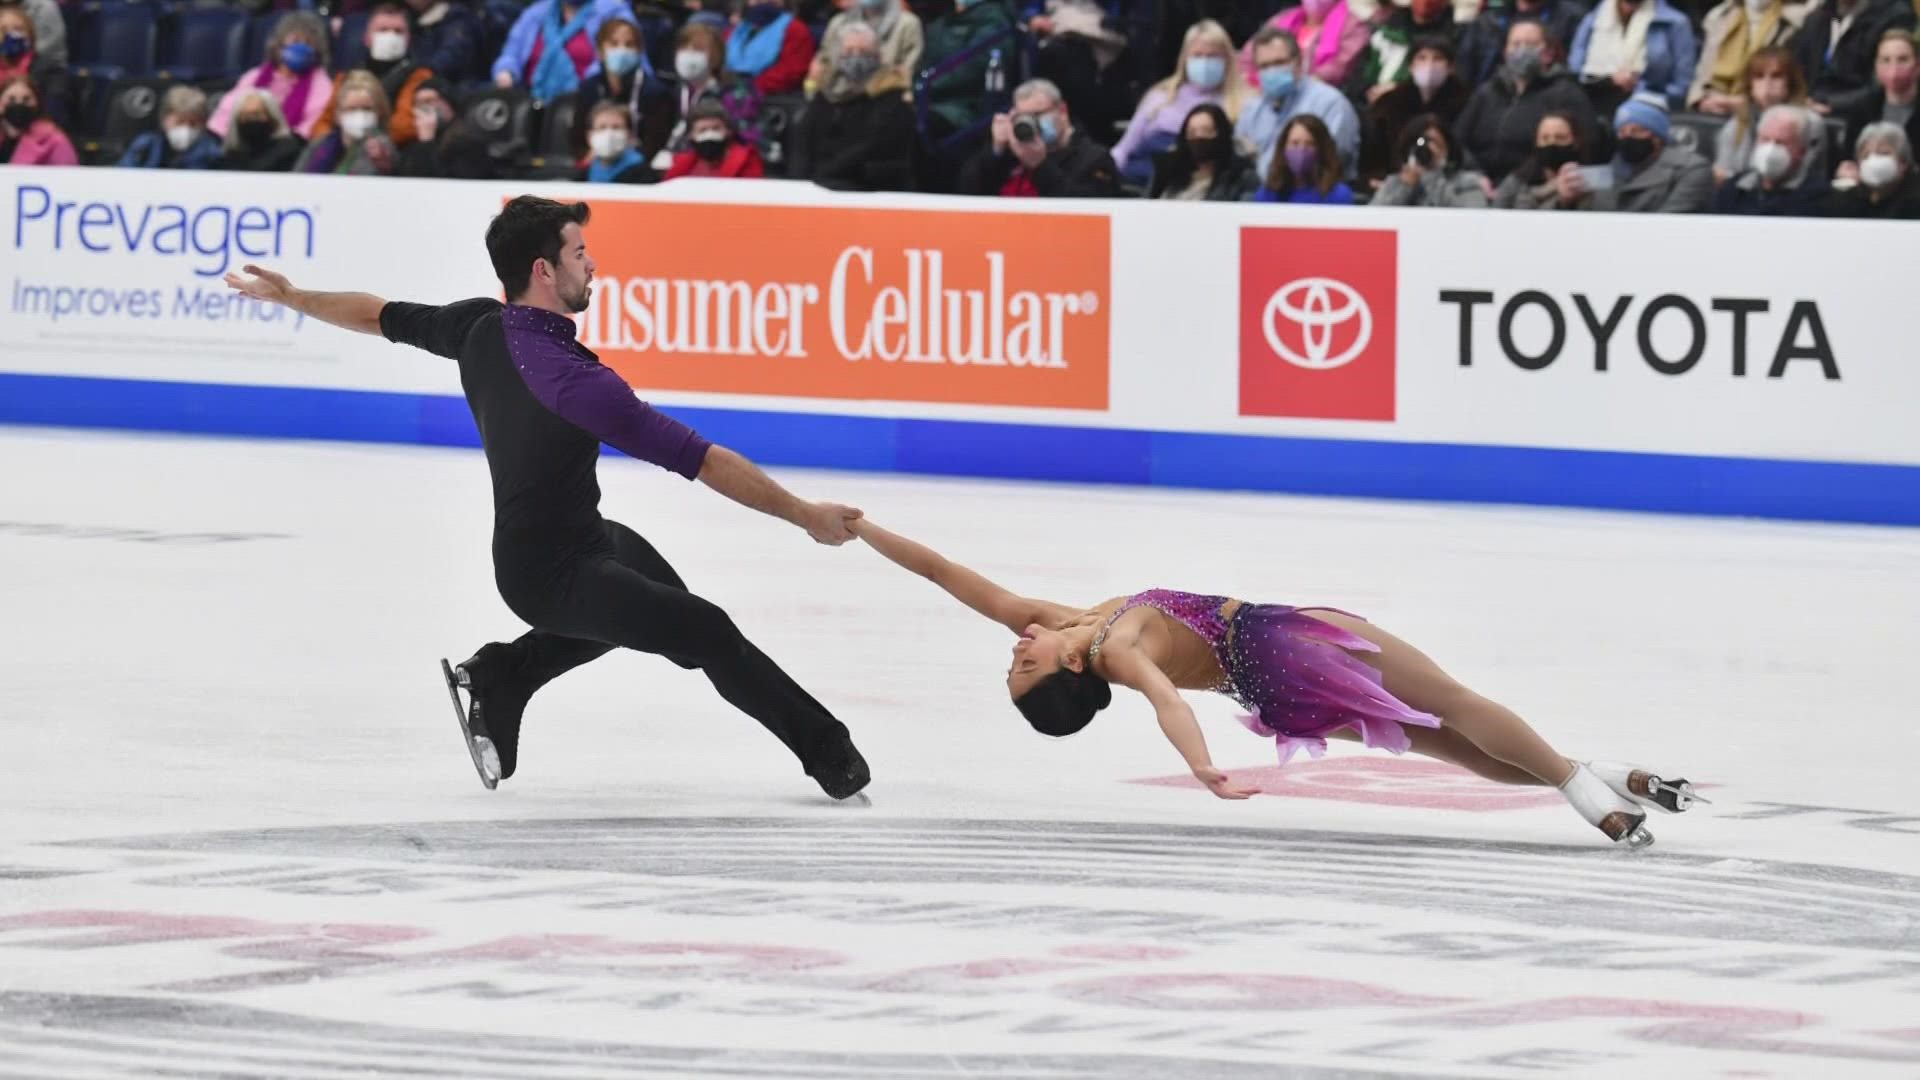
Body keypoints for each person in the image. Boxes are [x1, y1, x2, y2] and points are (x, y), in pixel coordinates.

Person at [221, 197, 872, 801]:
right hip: (550, 576)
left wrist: (296, 298)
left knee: (663, 621)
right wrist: (805, 514)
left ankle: (505, 675)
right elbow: (702, 461)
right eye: (579, 253)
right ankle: (829, 753)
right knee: (707, 632)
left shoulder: (476, 326)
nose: (592, 265)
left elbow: (377, 314)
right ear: (543, 269)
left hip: (583, 542)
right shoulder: (575, 382)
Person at [847, 519, 1697, 847]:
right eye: (1022, 665)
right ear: (1070, 669)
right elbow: (1168, 696)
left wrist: (863, 531)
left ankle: (1608, 782)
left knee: (1451, 746)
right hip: (1282, 646)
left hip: (1268, 691)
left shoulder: (1063, 621)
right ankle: (1593, 797)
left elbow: (944, 573)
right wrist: (1200, 768)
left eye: (1012, 661)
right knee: (1456, 703)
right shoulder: (1113, 646)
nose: (1015, 649)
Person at [1455, 19, 1599, 184]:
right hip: (1478, 183)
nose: (1521, 50)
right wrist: (1476, 175)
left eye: (1530, 44)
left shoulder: (1566, 93)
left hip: (1535, 185)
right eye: (1515, 44)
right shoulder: (1487, 93)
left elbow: (1587, 144)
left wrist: (1516, 182)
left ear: (1548, 52)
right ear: (1505, 51)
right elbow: (1458, 140)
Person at [1110, 20, 1251, 187]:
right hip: (1146, 173)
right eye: (1198, 55)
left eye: (1212, 56)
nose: (1204, 62)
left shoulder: (1244, 101)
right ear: (1185, 59)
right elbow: (1125, 147)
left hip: (1206, 180)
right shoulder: (1160, 96)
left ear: (1227, 59)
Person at [789, 22, 917, 191]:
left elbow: (873, 145)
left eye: (863, 51)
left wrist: (824, 176)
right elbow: (804, 136)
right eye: (849, 51)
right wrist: (800, 179)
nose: (855, 57)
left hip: (863, 183)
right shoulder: (828, 89)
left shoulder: (891, 94)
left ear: (877, 55)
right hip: (816, 183)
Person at [956, 76, 1122, 197]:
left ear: (1062, 111)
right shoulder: (1013, 151)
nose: (1031, 123)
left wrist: (1040, 166)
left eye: (1037, 115)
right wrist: (995, 151)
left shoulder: (1094, 158)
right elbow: (967, 193)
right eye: (1023, 116)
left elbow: (1089, 213)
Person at [1235, 26, 1361, 180]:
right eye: (1264, 66)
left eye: (1279, 62)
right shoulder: (1252, 110)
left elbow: (1331, 161)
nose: (1272, 71)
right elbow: (1240, 158)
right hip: (1260, 196)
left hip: (1317, 195)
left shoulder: (1330, 103)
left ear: (1299, 61)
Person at [311, 3, 434, 148]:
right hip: (343, 148)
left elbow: (405, 126)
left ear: (408, 39)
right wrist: (336, 141)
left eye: (398, 31)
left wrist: (371, 139)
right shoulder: (347, 75)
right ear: (367, 38)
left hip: (394, 153)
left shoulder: (420, 75)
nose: (390, 35)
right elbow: (322, 124)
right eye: (383, 30)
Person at [1360, 35, 1469, 188]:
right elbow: (1373, 150)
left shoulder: (1466, 102)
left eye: (1437, 58)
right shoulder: (1390, 103)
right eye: (1422, 58)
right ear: (1411, 66)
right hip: (1393, 180)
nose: (1429, 65)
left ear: (1450, 67)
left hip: (1447, 182)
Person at [208, 11, 334, 141]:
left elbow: (313, 125)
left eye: (307, 44)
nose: (299, 49)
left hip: (288, 150)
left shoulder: (321, 84)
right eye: (295, 42)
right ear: (279, 45)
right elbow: (227, 113)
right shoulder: (255, 75)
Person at [569, 16, 675, 163]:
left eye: (629, 44)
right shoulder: (589, 88)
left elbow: (655, 143)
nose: (622, 50)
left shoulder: (655, 93)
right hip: (593, 165)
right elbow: (577, 139)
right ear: (600, 50)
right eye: (614, 44)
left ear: (639, 52)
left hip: (637, 169)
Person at [1585, 92, 1713, 211]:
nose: (1628, 137)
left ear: (1657, 137)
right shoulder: (1607, 168)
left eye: (1637, 131)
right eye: (1622, 131)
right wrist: (1567, 198)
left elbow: (1672, 220)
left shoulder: (1691, 169)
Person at [1568, 0, 1699, 114]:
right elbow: (1575, 71)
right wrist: (1608, 80)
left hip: (1650, 106)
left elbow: (1682, 85)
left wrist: (1640, 88)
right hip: (1595, 99)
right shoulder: (1592, 20)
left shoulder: (1676, 23)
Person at [1687, 0, 1817, 114]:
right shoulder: (1719, 16)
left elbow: (1792, 83)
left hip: (1768, 111)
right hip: (1715, 107)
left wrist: (1738, 103)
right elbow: (1703, 72)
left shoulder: (1802, 18)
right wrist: (1700, 100)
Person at [491, 0, 635, 101]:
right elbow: (511, 53)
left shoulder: (613, 12)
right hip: (530, 103)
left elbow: (624, 57)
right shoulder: (535, 13)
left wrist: (591, 85)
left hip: (589, 105)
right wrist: (506, 72)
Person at [1794, 0, 1915, 119]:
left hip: (1860, 114)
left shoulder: (1893, 16)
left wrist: (1831, 104)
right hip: (1810, 106)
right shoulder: (1826, 16)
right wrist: (1801, 99)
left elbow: (1883, 83)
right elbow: (1796, 69)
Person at [1711, 102, 1831, 214]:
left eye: (1781, 142)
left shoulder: (1820, 198)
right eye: (1765, 139)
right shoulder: (1732, 190)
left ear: (1801, 151)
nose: (1770, 149)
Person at [1714, 45, 1808, 182]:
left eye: (1776, 76)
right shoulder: (1736, 126)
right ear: (1750, 84)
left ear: (1790, 83)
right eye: (1759, 77)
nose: (1767, 84)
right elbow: (1721, 175)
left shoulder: (1807, 123)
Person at [1241, 0, 1373, 90]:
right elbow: (1249, 55)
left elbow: (1339, 68)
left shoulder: (1354, 26)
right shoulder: (1284, 18)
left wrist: (1298, 84)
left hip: (1318, 97)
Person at [1347, 0, 1457, 105]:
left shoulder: (1454, 35)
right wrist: (1368, 92)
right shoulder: (1388, 30)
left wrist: (1398, 91)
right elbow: (1362, 74)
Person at [1456, 0, 1588, 87]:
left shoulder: (1572, 18)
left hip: (1548, 95)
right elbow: (1465, 73)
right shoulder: (1488, 20)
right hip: (1494, 97)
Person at [1147, 102, 1261, 200]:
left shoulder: (1242, 176)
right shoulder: (1166, 170)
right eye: (1192, 133)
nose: (1199, 138)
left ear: (1222, 133)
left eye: (1207, 131)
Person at [1370, 113, 1491, 205]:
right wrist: (1405, 187)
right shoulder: (1395, 183)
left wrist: (1434, 177)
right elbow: (1374, 221)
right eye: (1421, 143)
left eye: (1435, 143)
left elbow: (1473, 221)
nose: (1426, 149)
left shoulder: (1468, 184)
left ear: (1448, 147)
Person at [1838, 29, 1920, 165]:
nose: (1894, 68)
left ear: (1917, 66)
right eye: (1885, 60)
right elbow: (1849, 156)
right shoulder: (1863, 108)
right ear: (1876, 66)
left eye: (1903, 59)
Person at [294, 70, 397, 175]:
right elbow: (296, 179)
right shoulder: (319, 145)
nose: (359, 115)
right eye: (351, 109)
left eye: (367, 109)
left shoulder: (384, 150)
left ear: (379, 112)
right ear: (339, 114)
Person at [397, 77, 495, 178]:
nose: (423, 108)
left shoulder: (469, 137)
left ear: (447, 102)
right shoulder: (416, 141)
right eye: (418, 104)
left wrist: (427, 142)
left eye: (429, 101)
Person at [1492, 109, 1592, 207]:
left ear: (1576, 142)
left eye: (1560, 138)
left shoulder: (1587, 182)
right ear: (1536, 142)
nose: (1552, 143)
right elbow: (1494, 214)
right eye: (1545, 138)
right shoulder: (1517, 181)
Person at [1249, 113, 1356, 203]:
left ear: (1322, 149)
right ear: (1283, 148)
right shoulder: (1267, 194)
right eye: (1294, 143)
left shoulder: (1339, 195)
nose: (1301, 150)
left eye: (1310, 144)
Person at [814, 0, 924, 86]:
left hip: (886, 98)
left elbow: (906, 74)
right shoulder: (837, 23)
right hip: (839, 95)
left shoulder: (908, 24)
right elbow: (822, 66)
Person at [1827, 120, 1920, 215]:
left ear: (1903, 163)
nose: (1873, 160)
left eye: (1883, 153)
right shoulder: (1848, 198)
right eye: (1865, 155)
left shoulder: (1915, 200)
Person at [118, 85, 222, 169]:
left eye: (193, 123)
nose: (186, 128)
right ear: (164, 119)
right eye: (179, 122)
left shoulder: (214, 153)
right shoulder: (145, 146)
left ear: (204, 124)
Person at [727, 0, 816, 96]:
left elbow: (790, 73)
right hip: (731, 92)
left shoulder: (796, 30)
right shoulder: (737, 31)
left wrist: (751, 86)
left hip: (772, 99)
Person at [662, 97, 767, 178]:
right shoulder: (681, 166)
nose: (710, 134)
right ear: (691, 135)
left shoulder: (746, 161)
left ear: (729, 131)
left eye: (716, 128)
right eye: (703, 130)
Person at [0, 4, 63, 125]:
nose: (11, 35)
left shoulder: (47, 71)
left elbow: (50, 119)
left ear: (30, 35)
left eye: (18, 29)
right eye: (3, 30)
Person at [215, 90, 306, 172]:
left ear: (272, 117)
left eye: (257, 114)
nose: (251, 120)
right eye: (245, 116)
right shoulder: (231, 156)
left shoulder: (290, 151)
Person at [404, 0, 488, 85]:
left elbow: (451, 56)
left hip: (459, 87)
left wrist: (419, 72)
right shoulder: (408, 18)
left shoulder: (457, 18)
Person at [0, 73, 70, 164]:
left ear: (37, 104)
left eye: (26, 99)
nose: (19, 104)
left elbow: (68, 176)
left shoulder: (56, 141)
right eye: (11, 99)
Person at [579, 99, 654, 182]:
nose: (609, 134)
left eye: (616, 127)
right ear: (589, 136)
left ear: (629, 135)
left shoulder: (642, 174)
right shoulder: (585, 173)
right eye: (602, 127)